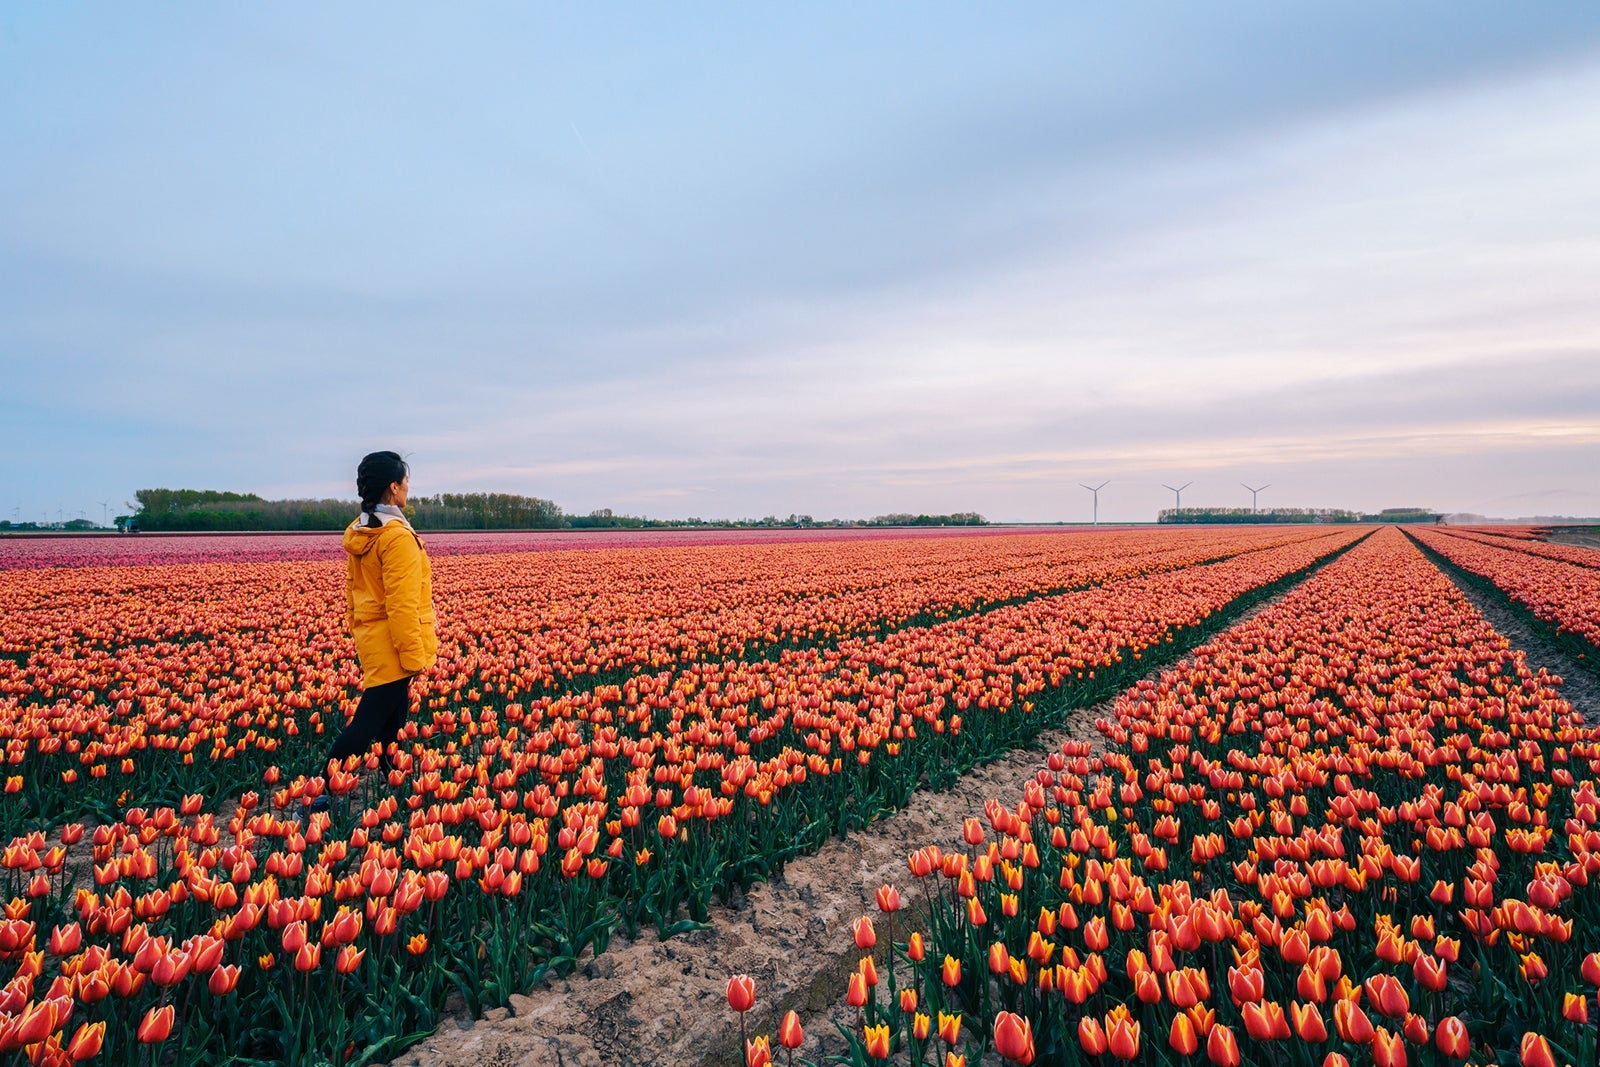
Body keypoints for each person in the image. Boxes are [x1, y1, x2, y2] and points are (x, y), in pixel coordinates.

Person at [318, 451, 438, 790]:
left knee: (394, 716)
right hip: (394, 642)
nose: (408, 488)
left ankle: (392, 774)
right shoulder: (396, 536)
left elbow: (353, 592)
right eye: (405, 482)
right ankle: (320, 792)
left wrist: (360, 630)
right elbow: (402, 604)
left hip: (373, 637)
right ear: (393, 487)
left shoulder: (363, 530)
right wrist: (412, 654)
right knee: (368, 722)